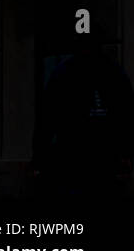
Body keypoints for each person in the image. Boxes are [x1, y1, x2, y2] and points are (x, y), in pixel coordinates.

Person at [33, 35, 134, 197]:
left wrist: (39, 159)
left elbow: (47, 119)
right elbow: (126, 115)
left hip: (76, 156)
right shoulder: (113, 71)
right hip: (101, 156)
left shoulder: (64, 72)